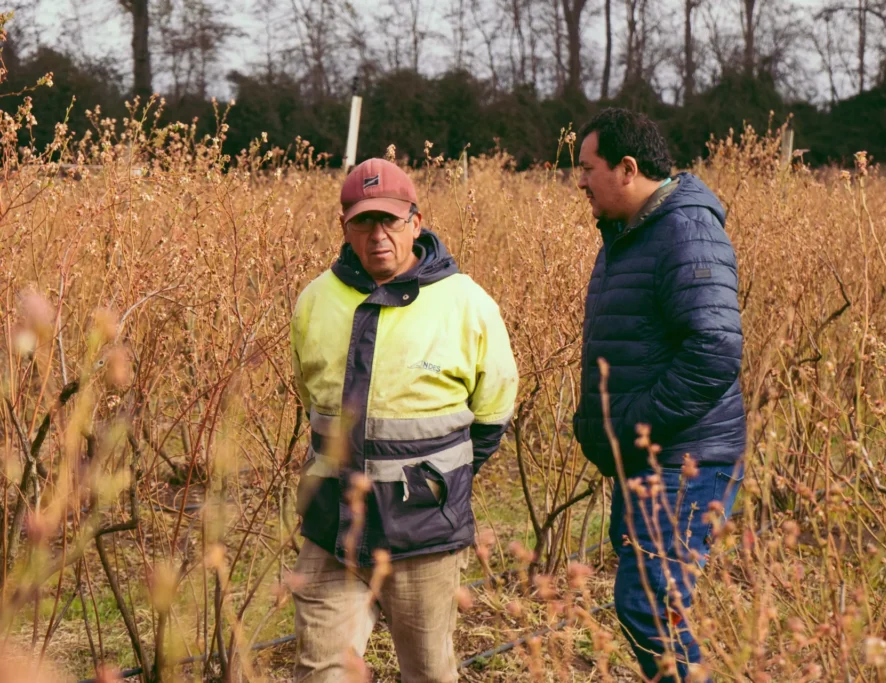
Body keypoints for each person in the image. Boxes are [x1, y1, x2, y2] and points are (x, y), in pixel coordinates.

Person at [289, 158, 519, 683]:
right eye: (363, 223)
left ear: (416, 222)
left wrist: (436, 480)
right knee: (320, 671)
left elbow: (493, 412)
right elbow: (312, 400)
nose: (378, 236)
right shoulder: (314, 301)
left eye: (390, 221)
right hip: (332, 530)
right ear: (343, 228)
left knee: (429, 672)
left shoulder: (467, 304)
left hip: (423, 533)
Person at [572, 108, 746, 680]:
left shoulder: (684, 230)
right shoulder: (630, 234)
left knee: (647, 607)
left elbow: (715, 349)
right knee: (650, 609)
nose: (579, 180)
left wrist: (631, 423)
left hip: (683, 457)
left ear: (626, 168)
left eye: (587, 167)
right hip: (651, 457)